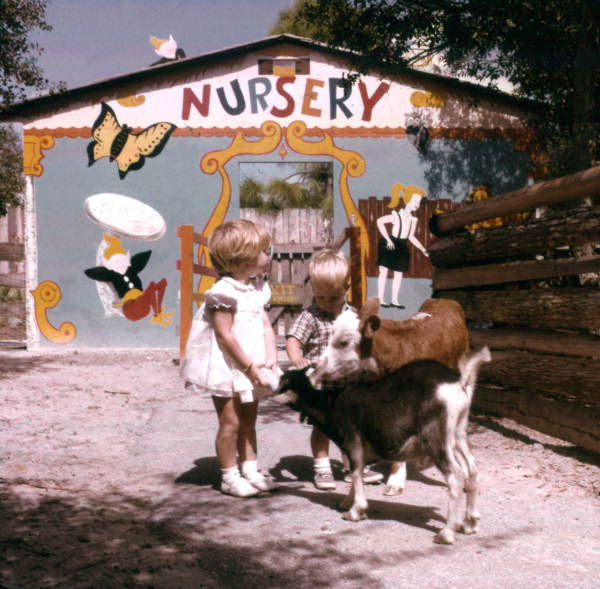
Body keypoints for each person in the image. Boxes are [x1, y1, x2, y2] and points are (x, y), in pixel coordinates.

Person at [181, 219, 279, 498]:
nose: (267, 256)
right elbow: (225, 336)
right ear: (241, 258)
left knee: (249, 420)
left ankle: (250, 468)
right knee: (231, 422)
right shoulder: (222, 293)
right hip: (229, 366)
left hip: (253, 366)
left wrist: (270, 357)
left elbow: (265, 325)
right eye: (262, 251)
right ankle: (229, 475)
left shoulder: (256, 290)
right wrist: (249, 368)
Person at [285, 249, 383, 490]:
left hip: (348, 383)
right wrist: (297, 358)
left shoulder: (353, 316)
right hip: (321, 383)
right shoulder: (310, 316)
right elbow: (293, 340)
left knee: (352, 427)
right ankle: (322, 467)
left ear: (346, 288)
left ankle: (354, 467)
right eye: (321, 297)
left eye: (333, 298)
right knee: (322, 427)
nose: (326, 304)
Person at [376, 184, 429, 308]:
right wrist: (388, 239)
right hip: (390, 244)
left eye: (418, 202)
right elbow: (380, 221)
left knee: (398, 273)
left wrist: (422, 249)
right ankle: (380, 298)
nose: (416, 204)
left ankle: (394, 300)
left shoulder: (413, 220)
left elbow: (411, 236)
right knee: (383, 271)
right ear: (407, 199)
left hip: (402, 246)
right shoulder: (396, 215)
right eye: (415, 200)